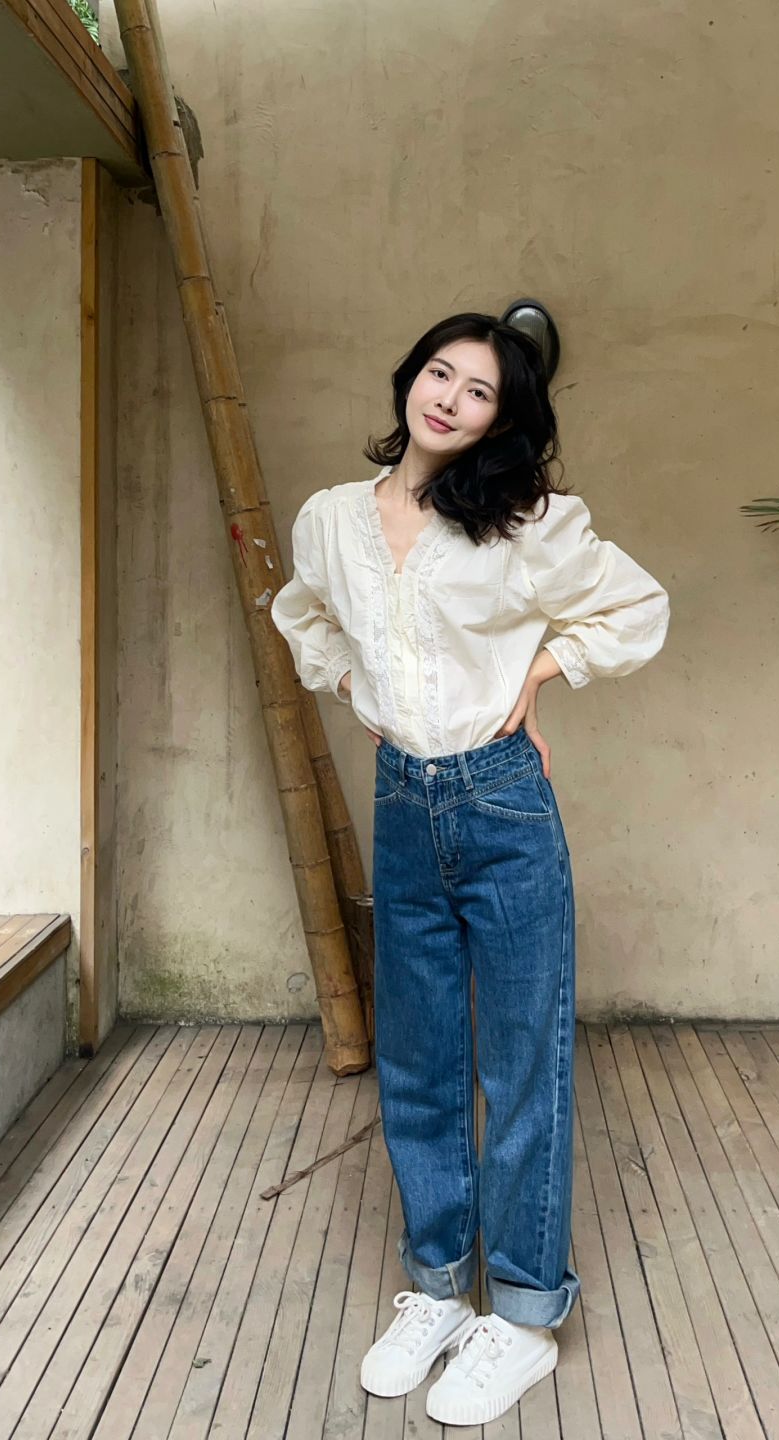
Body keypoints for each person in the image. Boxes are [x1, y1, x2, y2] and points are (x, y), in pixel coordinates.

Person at [270, 311, 669, 1426]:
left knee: (523, 1059)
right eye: (439, 373)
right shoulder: (333, 519)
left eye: (479, 390)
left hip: (502, 800)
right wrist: (351, 687)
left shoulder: (523, 521)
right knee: (419, 1056)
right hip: (404, 799)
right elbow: (302, 616)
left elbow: (637, 607)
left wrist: (540, 672)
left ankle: (528, 1314)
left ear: (501, 418)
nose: (449, 398)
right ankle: (440, 1287)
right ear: (411, 378)